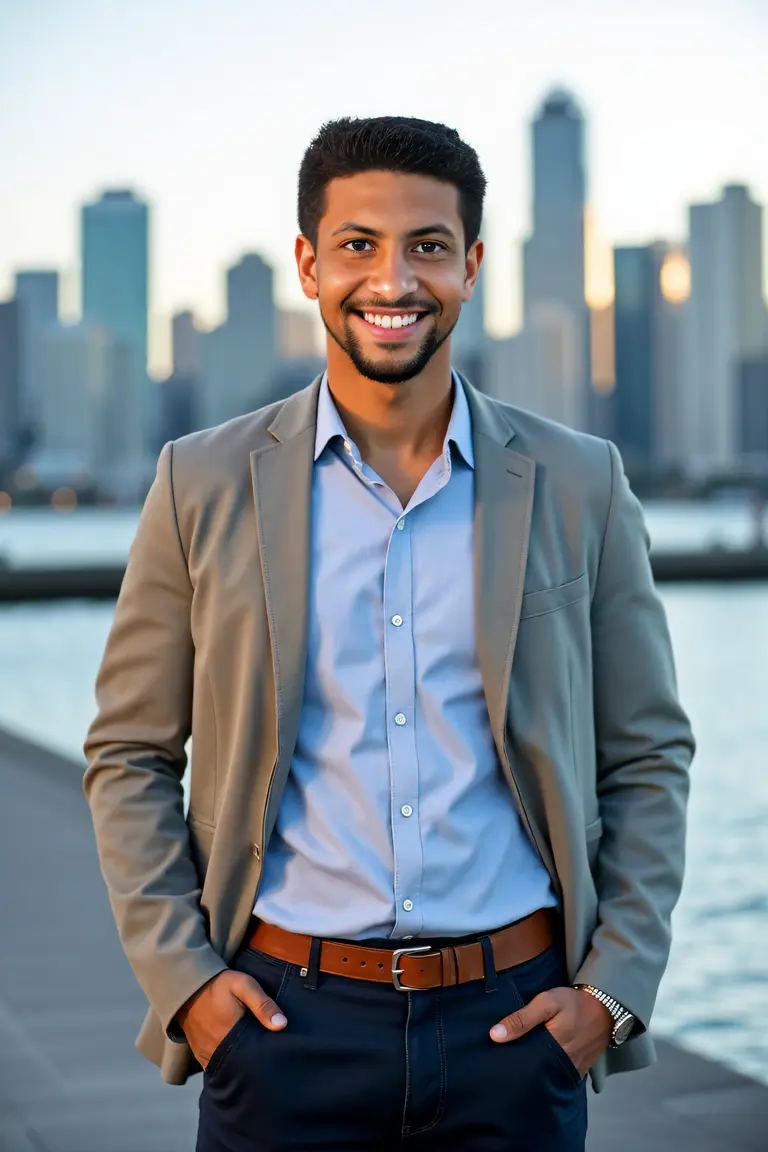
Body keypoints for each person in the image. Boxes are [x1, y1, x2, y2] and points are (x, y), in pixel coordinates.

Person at [84, 115, 695, 1151]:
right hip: (282, 1026)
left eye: (428, 247)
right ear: (308, 264)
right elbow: (130, 752)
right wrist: (189, 988)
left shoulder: (579, 481)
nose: (393, 279)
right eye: (359, 245)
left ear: (472, 267)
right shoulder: (203, 481)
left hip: (517, 1030)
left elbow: (646, 754)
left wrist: (610, 992)